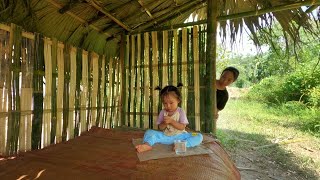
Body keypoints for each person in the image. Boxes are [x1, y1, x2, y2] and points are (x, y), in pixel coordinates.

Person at [135, 83, 203, 153]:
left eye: (171, 103)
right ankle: (147, 145)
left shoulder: (181, 112)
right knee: (149, 132)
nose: (168, 106)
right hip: (165, 137)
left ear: (178, 100)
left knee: (198, 135)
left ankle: (182, 145)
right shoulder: (162, 112)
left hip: (180, 137)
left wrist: (171, 121)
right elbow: (160, 128)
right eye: (165, 103)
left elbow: (182, 127)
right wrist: (164, 123)